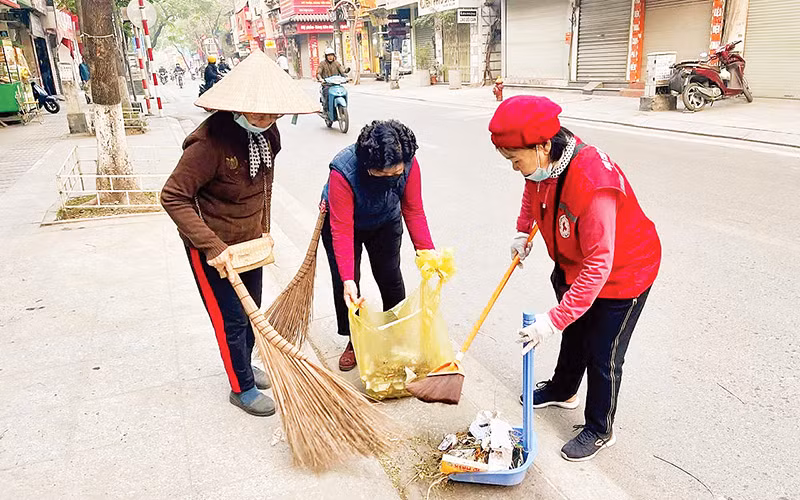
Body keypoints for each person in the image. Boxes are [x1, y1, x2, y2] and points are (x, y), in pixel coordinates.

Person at [489, 96, 661, 462]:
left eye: (515, 159)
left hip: (623, 275)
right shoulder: (544, 165)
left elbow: (600, 263)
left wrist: (551, 320)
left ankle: (600, 428)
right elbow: (530, 190)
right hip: (572, 264)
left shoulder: (592, 181)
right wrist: (523, 231)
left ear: (542, 146)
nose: (515, 168)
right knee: (576, 331)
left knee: (603, 352)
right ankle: (564, 389)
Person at [161, 51, 319, 417]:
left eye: (272, 114)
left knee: (251, 312)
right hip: (212, 247)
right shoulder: (208, 144)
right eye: (258, 113)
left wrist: (264, 229)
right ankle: (241, 386)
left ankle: (245, 365)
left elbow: (265, 183)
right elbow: (172, 196)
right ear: (237, 106)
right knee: (231, 318)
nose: (266, 120)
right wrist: (212, 246)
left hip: (250, 244)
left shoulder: (269, 133)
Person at [320, 120, 436, 372]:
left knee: (390, 276)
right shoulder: (343, 171)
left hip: (385, 220)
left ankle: (396, 336)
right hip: (344, 224)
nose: (390, 179)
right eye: (381, 175)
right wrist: (348, 279)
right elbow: (340, 228)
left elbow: (414, 210)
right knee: (347, 286)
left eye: (395, 174)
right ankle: (355, 341)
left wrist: (428, 253)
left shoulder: (408, 161)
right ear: (367, 166)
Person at [316, 47, 346, 114]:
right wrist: (320, 79)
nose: (330, 57)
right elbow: (318, 73)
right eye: (328, 55)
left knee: (344, 91)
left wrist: (346, 77)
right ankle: (326, 109)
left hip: (336, 84)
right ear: (326, 56)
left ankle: (343, 108)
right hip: (327, 85)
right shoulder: (322, 64)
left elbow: (342, 72)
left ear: (334, 56)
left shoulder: (337, 63)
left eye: (331, 55)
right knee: (326, 93)